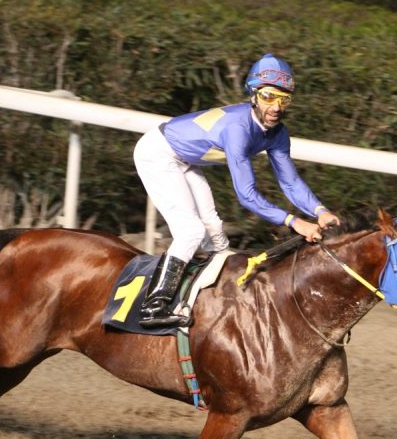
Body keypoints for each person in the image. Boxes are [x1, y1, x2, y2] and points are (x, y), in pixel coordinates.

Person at [131, 53, 339, 328]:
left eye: (283, 99)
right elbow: (246, 194)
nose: (276, 107)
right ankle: (152, 306)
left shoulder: (278, 133)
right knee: (191, 231)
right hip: (157, 153)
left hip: (185, 160)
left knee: (215, 232)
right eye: (268, 97)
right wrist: (295, 222)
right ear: (253, 95)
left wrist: (320, 211)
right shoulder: (238, 128)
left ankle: (207, 297)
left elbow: (289, 182)